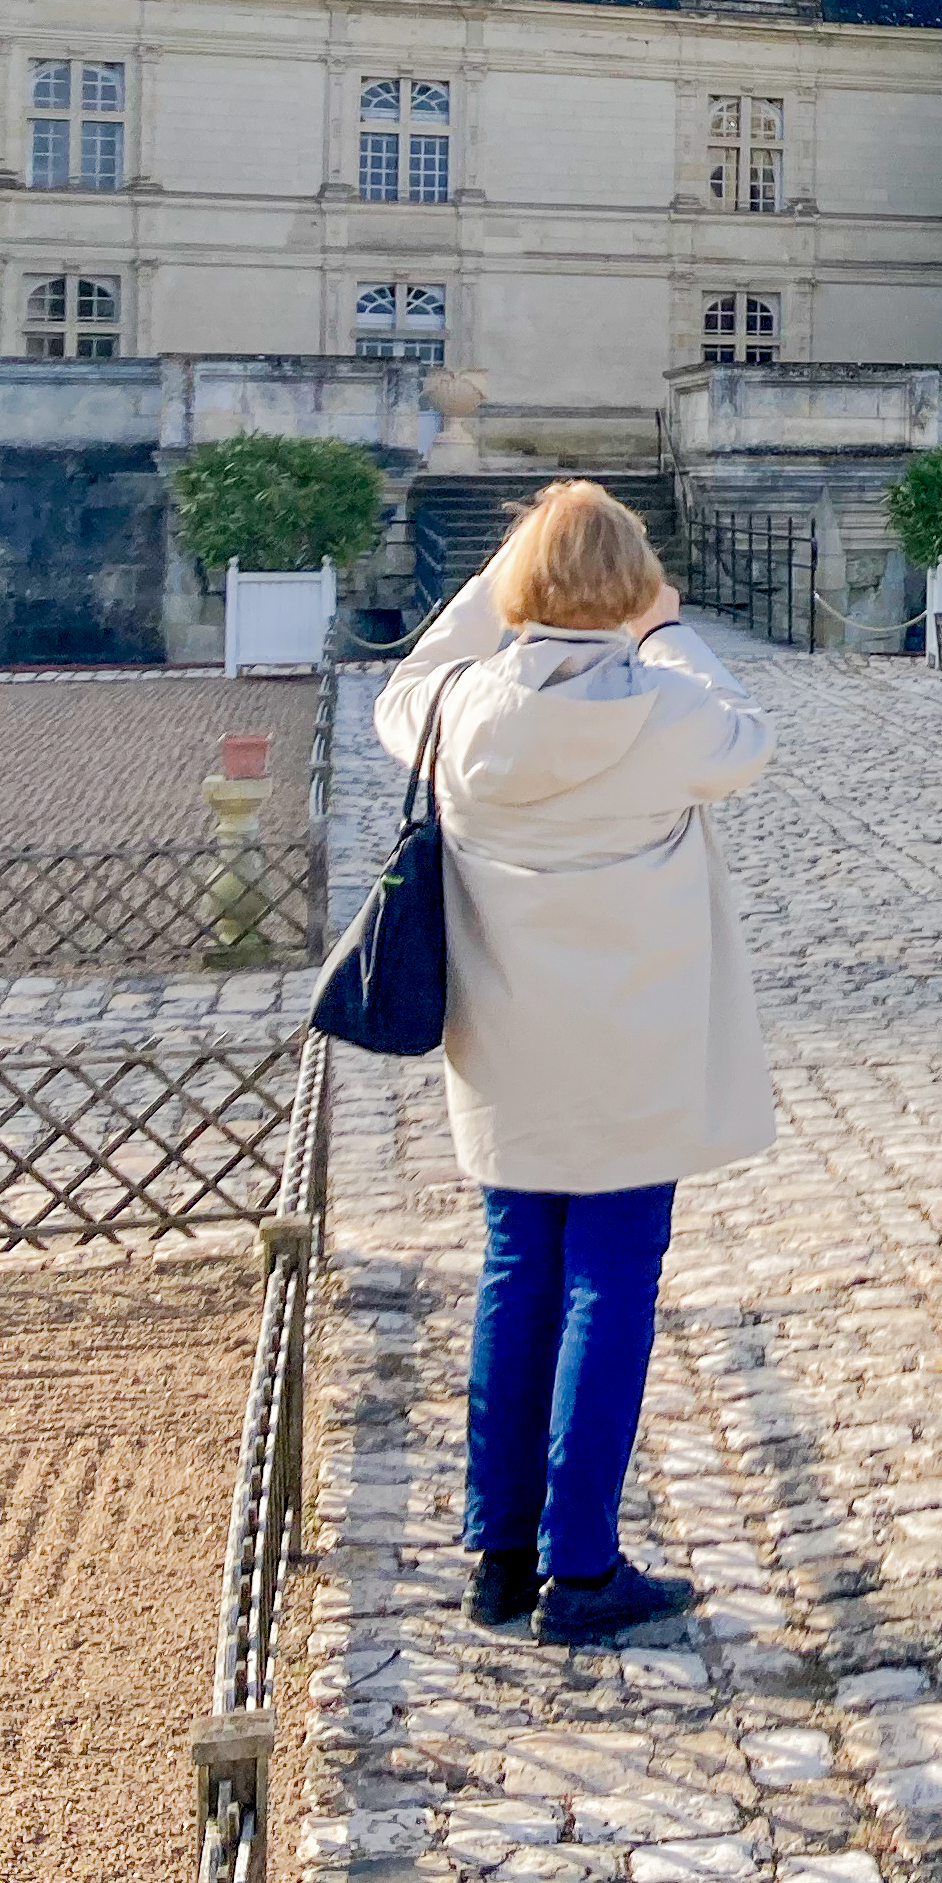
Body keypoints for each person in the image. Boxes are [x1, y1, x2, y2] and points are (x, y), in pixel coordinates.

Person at [376, 480, 776, 1646]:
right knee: (610, 1275)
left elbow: (403, 682)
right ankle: (582, 1564)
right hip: (634, 1039)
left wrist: (504, 580)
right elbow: (746, 732)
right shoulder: (663, 711)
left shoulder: (457, 710)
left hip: (505, 1039)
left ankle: (496, 1555)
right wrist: (661, 621)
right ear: (629, 587)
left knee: (518, 1270)